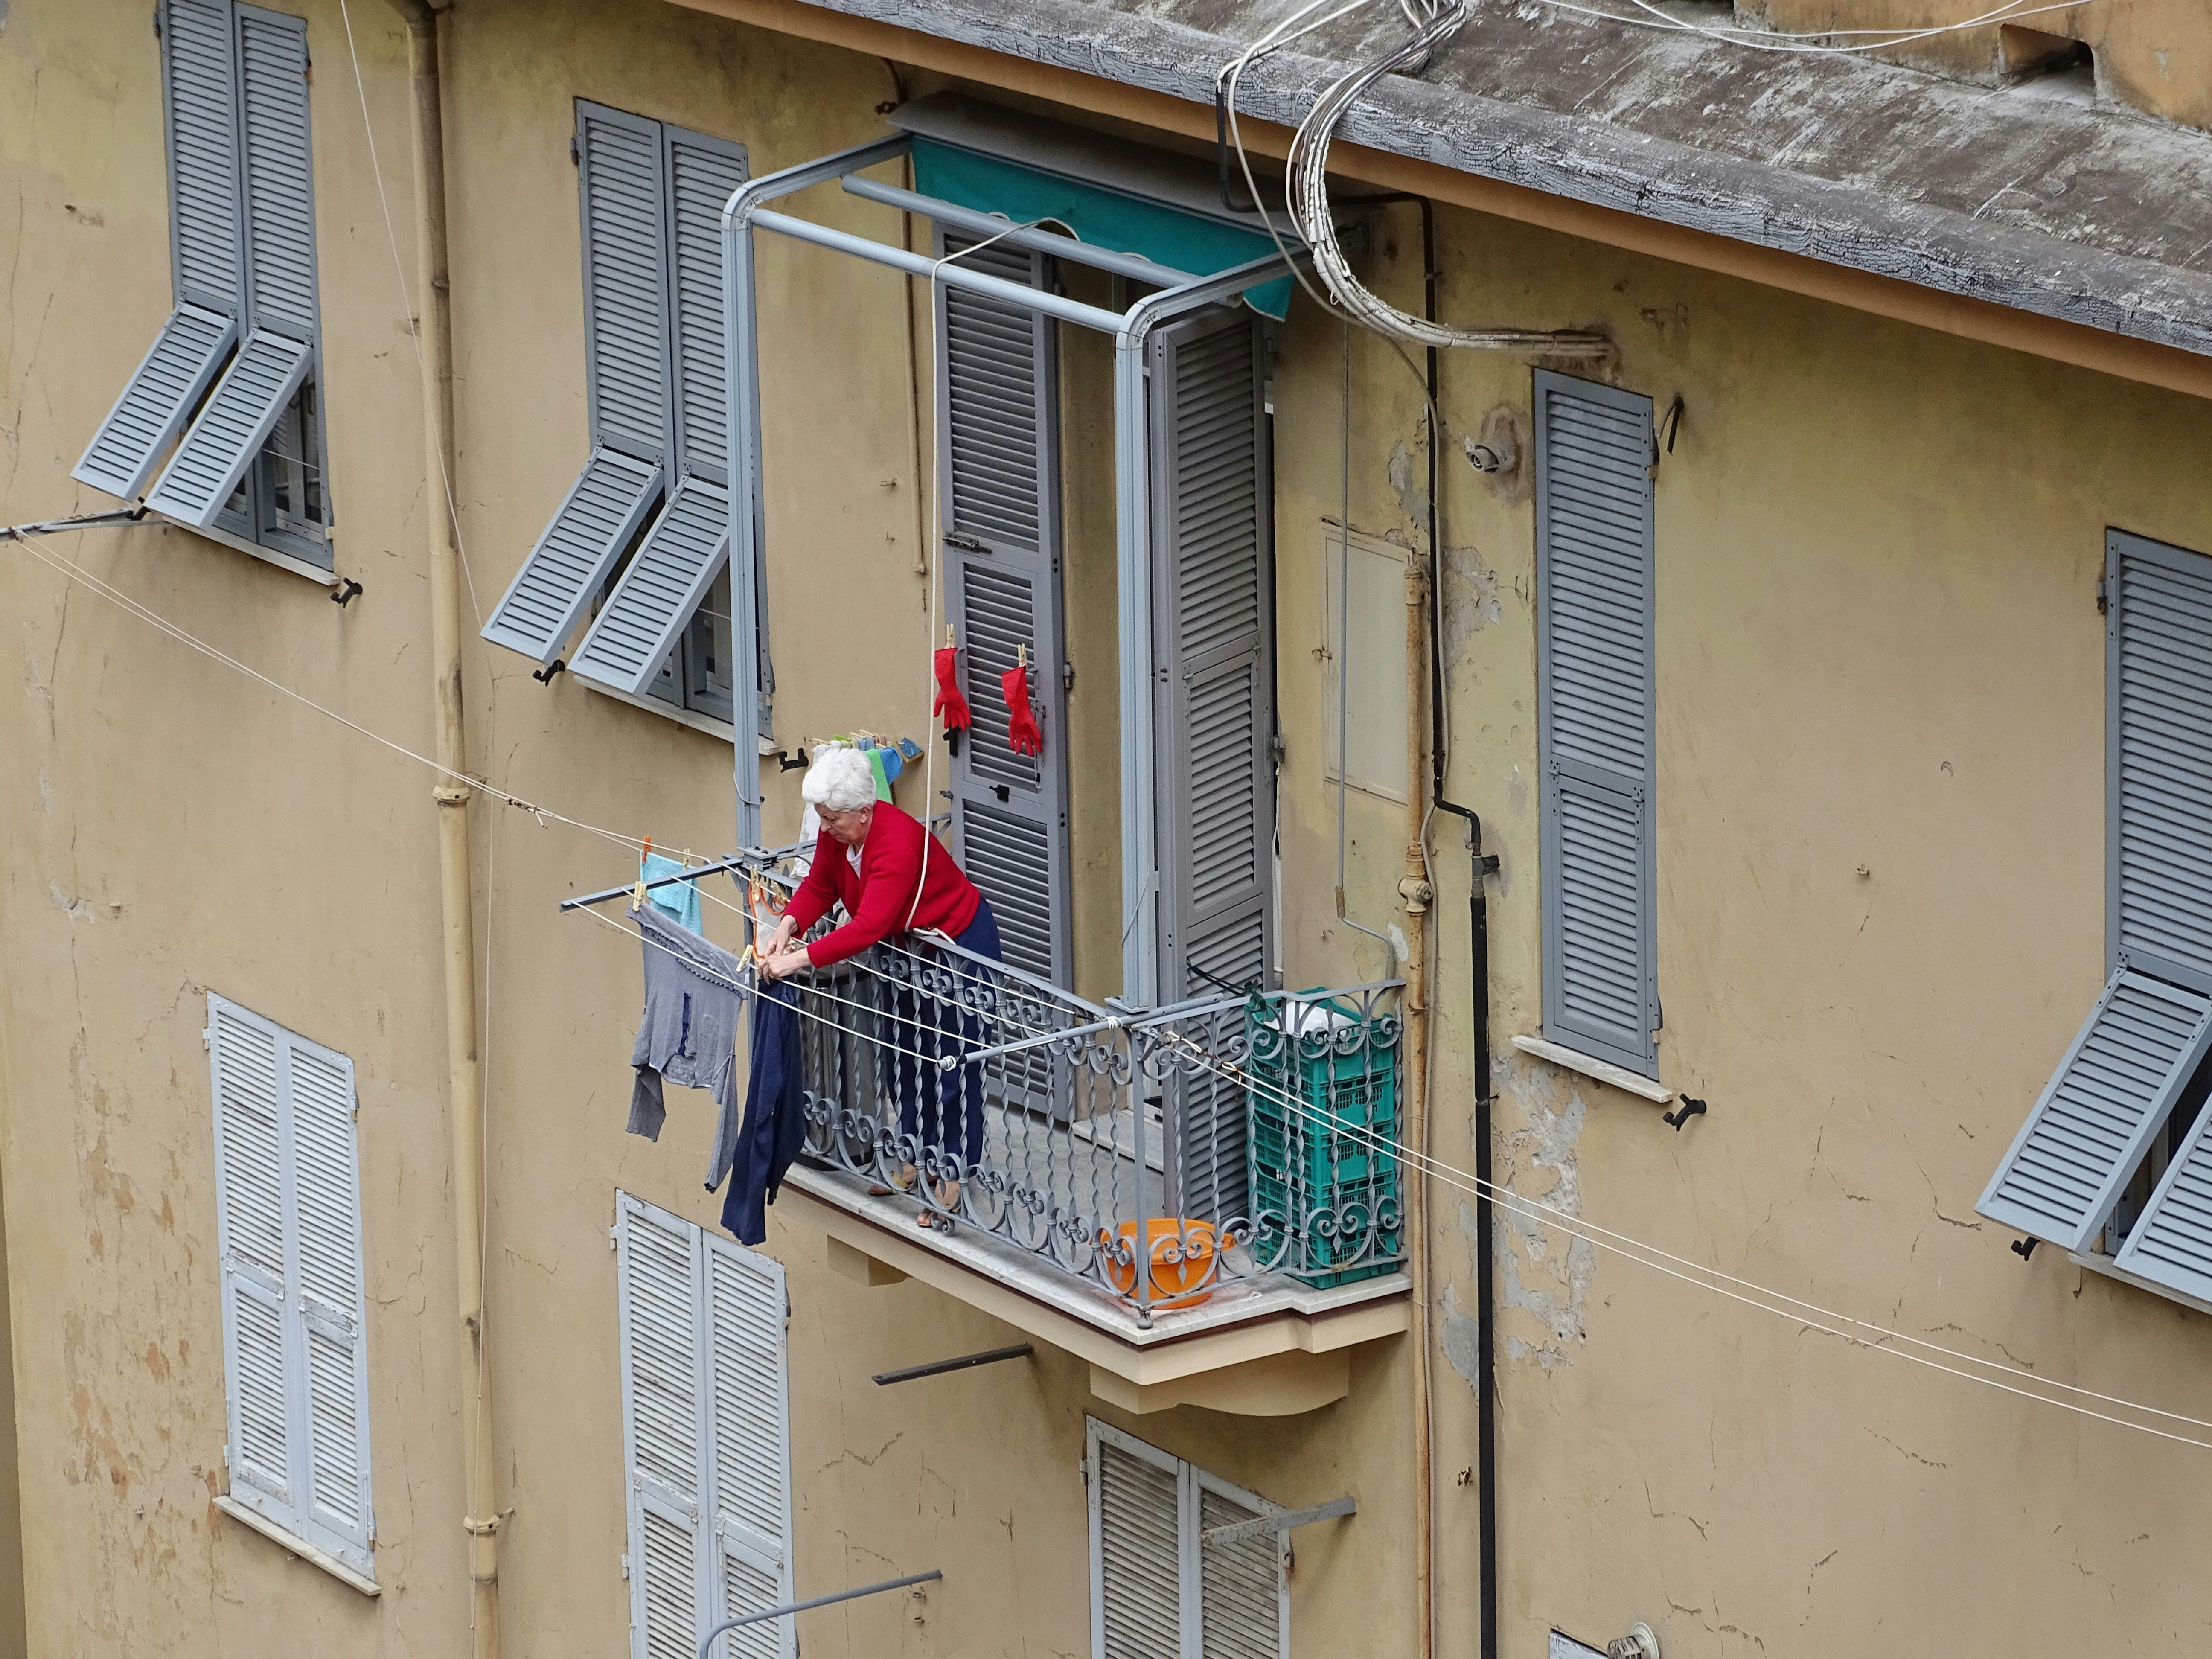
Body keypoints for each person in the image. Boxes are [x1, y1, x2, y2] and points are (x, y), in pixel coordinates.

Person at [760, 747, 1002, 1217]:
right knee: (903, 1055)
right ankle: (916, 1154)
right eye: (822, 818)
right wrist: (788, 925)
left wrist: (797, 961)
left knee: (954, 1060)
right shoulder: (839, 833)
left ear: (864, 814)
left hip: (958, 946)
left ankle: (954, 1168)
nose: (824, 828)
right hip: (907, 950)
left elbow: (867, 926)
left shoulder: (897, 844)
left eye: (831, 819)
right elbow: (821, 886)